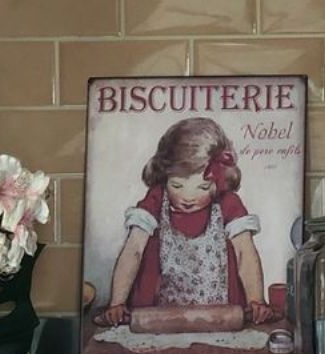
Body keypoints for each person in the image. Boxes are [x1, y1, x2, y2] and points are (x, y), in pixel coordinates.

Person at [96, 117, 270, 328]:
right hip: (163, 317)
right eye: (177, 185)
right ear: (164, 176)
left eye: (203, 187)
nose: (188, 197)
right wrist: (117, 302)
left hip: (219, 315)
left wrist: (256, 301)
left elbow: (245, 253)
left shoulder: (228, 203)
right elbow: (134, 250)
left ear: (220, 181)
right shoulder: (156, 199)